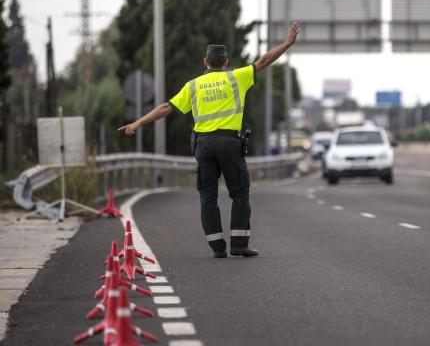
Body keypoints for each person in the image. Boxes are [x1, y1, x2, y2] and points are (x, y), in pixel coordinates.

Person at [118, 22, 302, 258]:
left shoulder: (193, 86)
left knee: (208, 197)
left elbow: (166, 107)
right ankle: (239, 244)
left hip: (203, 146)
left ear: (205, 62)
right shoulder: (237, 77)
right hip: (229, 144)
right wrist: (287, 43)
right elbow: (263, 61)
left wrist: (138, 123)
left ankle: (217, 248)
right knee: (239, 193)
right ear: (226, 62)